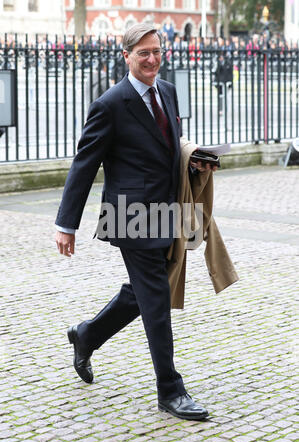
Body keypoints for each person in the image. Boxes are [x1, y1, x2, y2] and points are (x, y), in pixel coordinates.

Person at [55, 23, 216, 421]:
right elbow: (84, 164)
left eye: (156, 51)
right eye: (143, 52)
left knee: (143, 292)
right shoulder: (111, 103)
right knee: (156, 300)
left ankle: (87, 334)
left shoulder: (169, 91)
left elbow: (165, 146)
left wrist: (191, 157)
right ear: (126, 56)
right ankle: (170, 391)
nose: (151, 59)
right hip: (130, 216)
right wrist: (66, 224)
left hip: (167, 211)